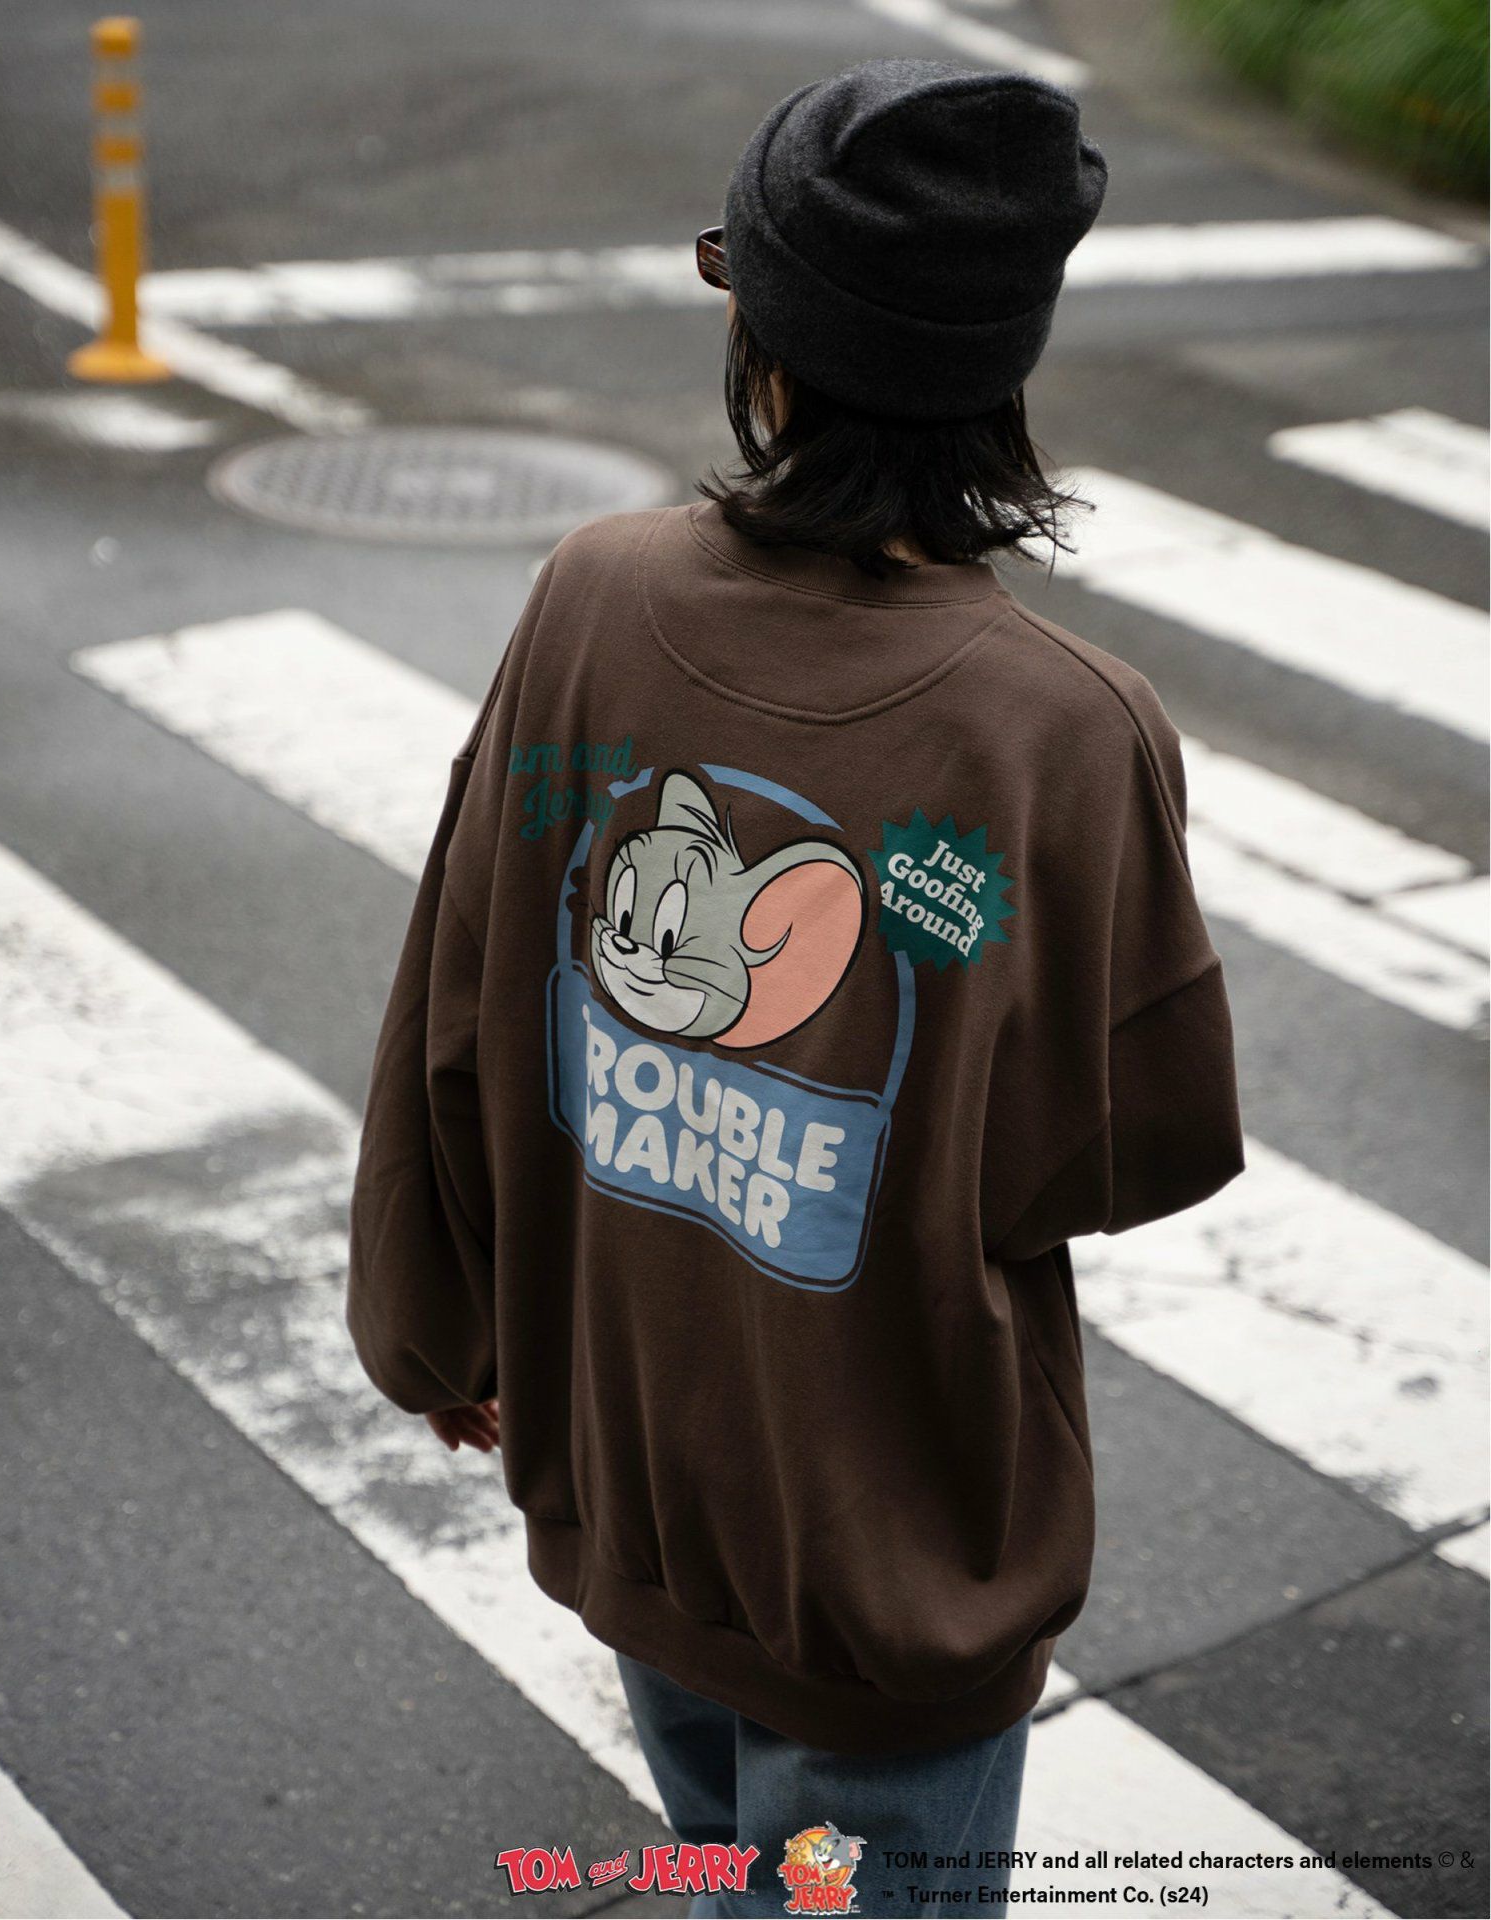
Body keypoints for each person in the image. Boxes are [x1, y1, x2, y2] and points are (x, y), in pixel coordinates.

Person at [347, 57, 1245, 1920]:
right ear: (1000, 370)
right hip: (888, 1543)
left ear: (762, 339)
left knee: (722, 1863)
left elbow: (459, 998)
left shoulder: (590, 597)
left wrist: (438, 1325)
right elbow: (1112, 1153)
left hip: (635, 1483)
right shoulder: (1062, 730)